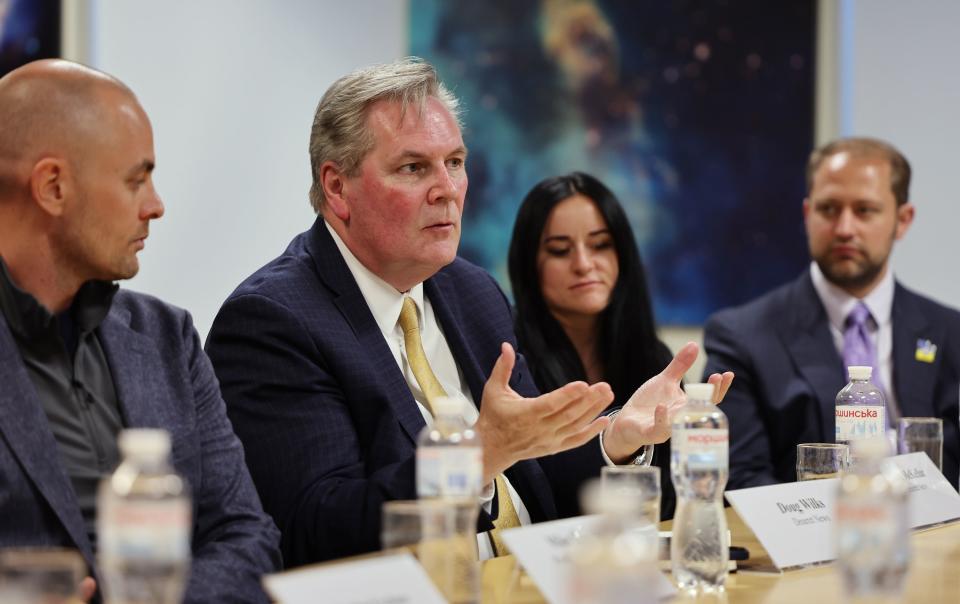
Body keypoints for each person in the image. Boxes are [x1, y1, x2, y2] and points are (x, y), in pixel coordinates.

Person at [205, 57, 727, 567]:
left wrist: (617, 438)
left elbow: (538, 471)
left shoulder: (471, 291)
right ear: (338, 188)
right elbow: (314, 531)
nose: (447, 191)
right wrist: (473, 459)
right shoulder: (273, 321)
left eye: (455, 162)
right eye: (414, 168)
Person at [0, 59, 281, 602]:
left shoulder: (166, 337)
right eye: (136, 179)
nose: (156, 205)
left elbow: (248, 536)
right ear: (53, 187)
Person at [703, 137, 960, 490]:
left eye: (865, 210)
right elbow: (741, 479)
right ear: (808, 215)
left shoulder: (951, 332)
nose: (844, 229)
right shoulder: (742, 337)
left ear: (903, 220)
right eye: (829, 209)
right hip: (807, 538)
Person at [508, 172, 731, 519]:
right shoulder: (510, 354)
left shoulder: (653, 356)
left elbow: (671, 500)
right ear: (529, 264)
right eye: (560, 250)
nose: (584, 264)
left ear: (622, 253)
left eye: (600, 245)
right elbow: (535, 493)